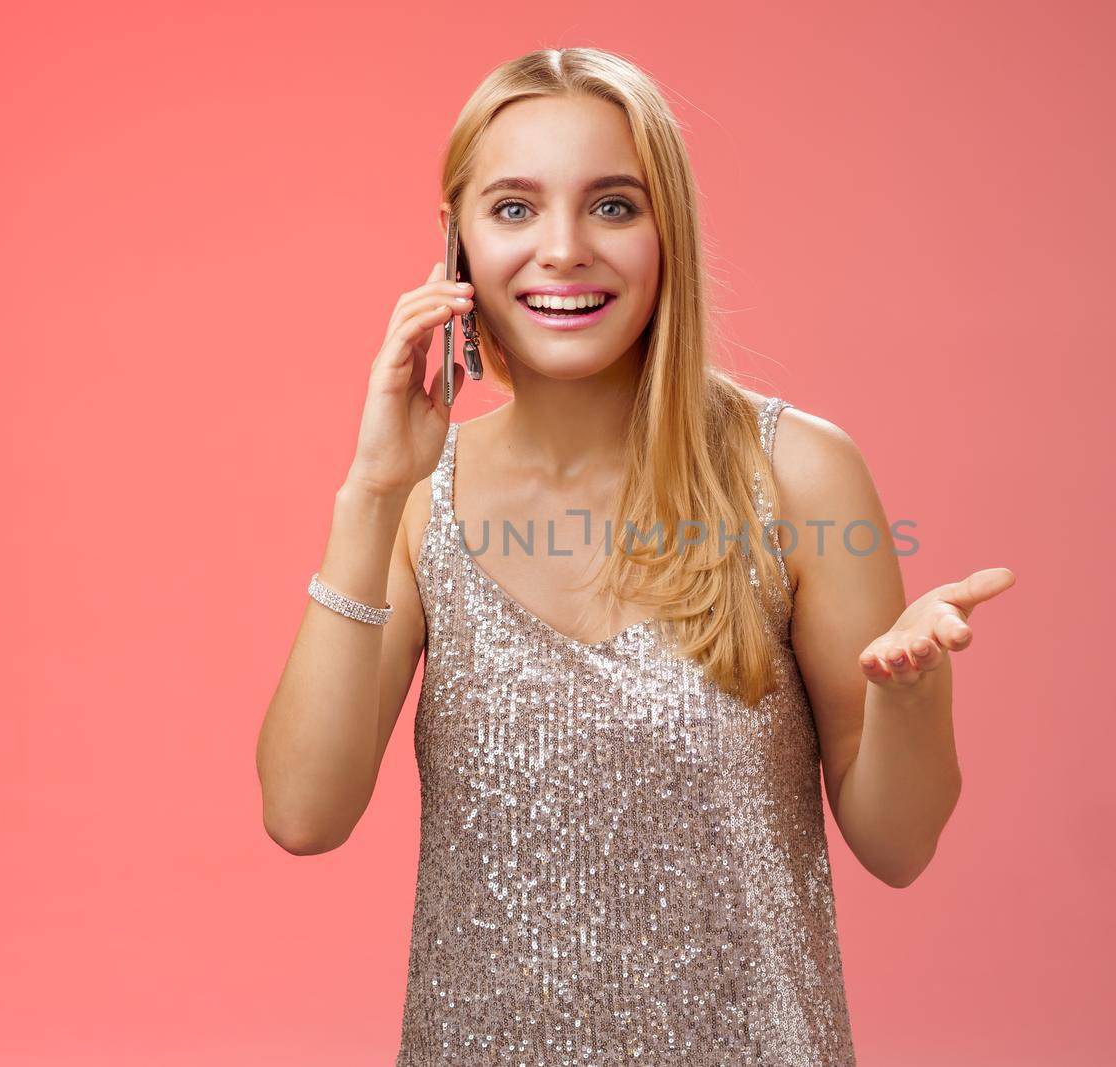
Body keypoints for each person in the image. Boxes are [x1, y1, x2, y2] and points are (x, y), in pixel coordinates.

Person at [255, 46, 1014, 1066]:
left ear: (669, 234)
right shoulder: (413, 503)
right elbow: (303, 812)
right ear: (457, 244)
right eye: (514, 208)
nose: (562, 248)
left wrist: (912, 692)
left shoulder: (796, 473)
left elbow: (897, 844)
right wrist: (368, 490)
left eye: (612, 205)